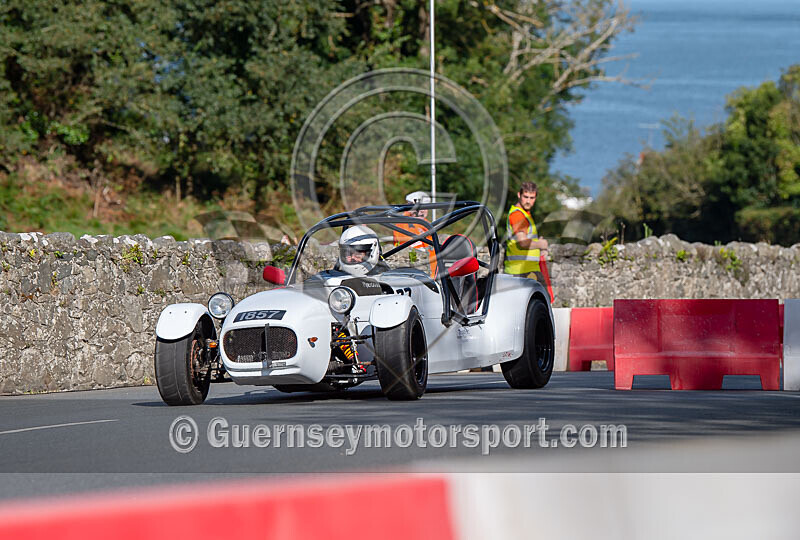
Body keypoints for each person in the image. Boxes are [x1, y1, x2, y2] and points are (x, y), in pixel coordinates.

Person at [504, 182, 548, 282]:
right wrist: (541, 244)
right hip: (523, 272)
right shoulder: (518, 215)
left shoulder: (525, 214)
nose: (528, 201)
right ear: (519, 195)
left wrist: (537, 245)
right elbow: (523, 242)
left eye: (532, 198)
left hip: (524, 271)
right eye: (526, 197)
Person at [392, 191, 437, 276]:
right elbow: (408, 252)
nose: (423, 211)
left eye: (426, 207)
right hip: (416, 273)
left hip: (433, 273)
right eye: (420, 207)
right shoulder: (402, 225)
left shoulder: (427, 224)